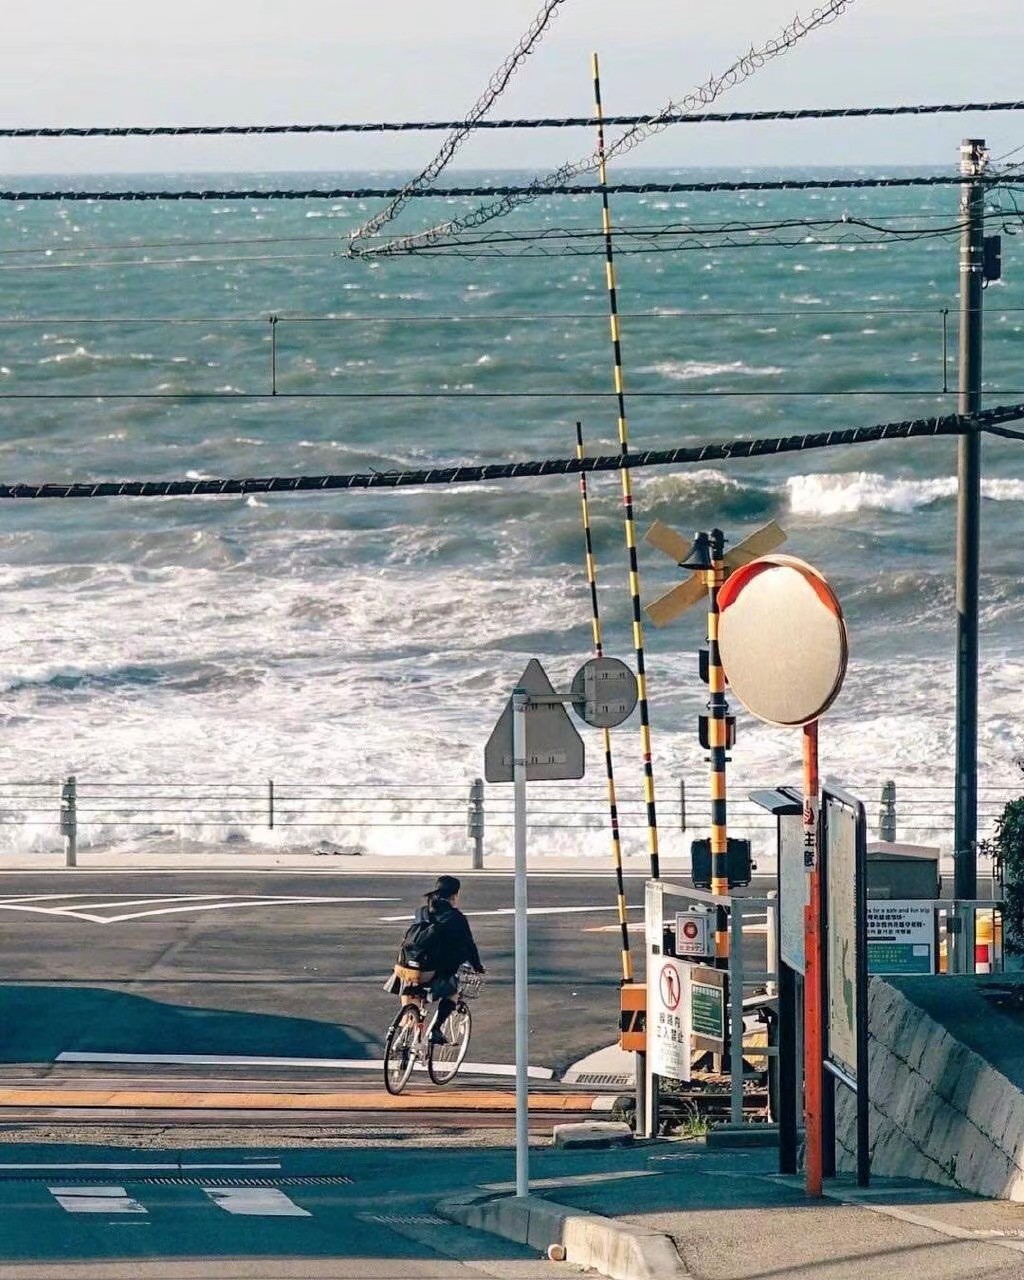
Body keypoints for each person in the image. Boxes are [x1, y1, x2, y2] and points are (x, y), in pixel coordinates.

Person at [394, 874, 484, 1043]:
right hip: (427, 973)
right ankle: (435, 1030)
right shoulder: (456, 918)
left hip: (403, 969)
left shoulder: (421, 912)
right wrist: (477, 966)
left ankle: (404, 1036)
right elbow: (469, 945)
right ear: (454, 895)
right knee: (453, 990)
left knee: (411, 991)